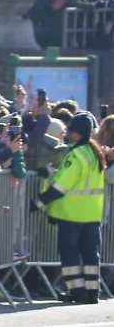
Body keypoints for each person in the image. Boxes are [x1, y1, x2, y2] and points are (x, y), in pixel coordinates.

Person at [31, 112, 105, 304]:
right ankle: (92, 292)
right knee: (90, 255)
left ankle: (77, 292)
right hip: (91, 215)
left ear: (78, 133)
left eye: (70, 130)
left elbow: (61, 186)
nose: (67, 133)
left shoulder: (76, 155)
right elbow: (77, 178)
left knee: (70, 254)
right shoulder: (93, 153)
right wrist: (50, 171)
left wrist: (39, 202)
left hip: (71, 215)